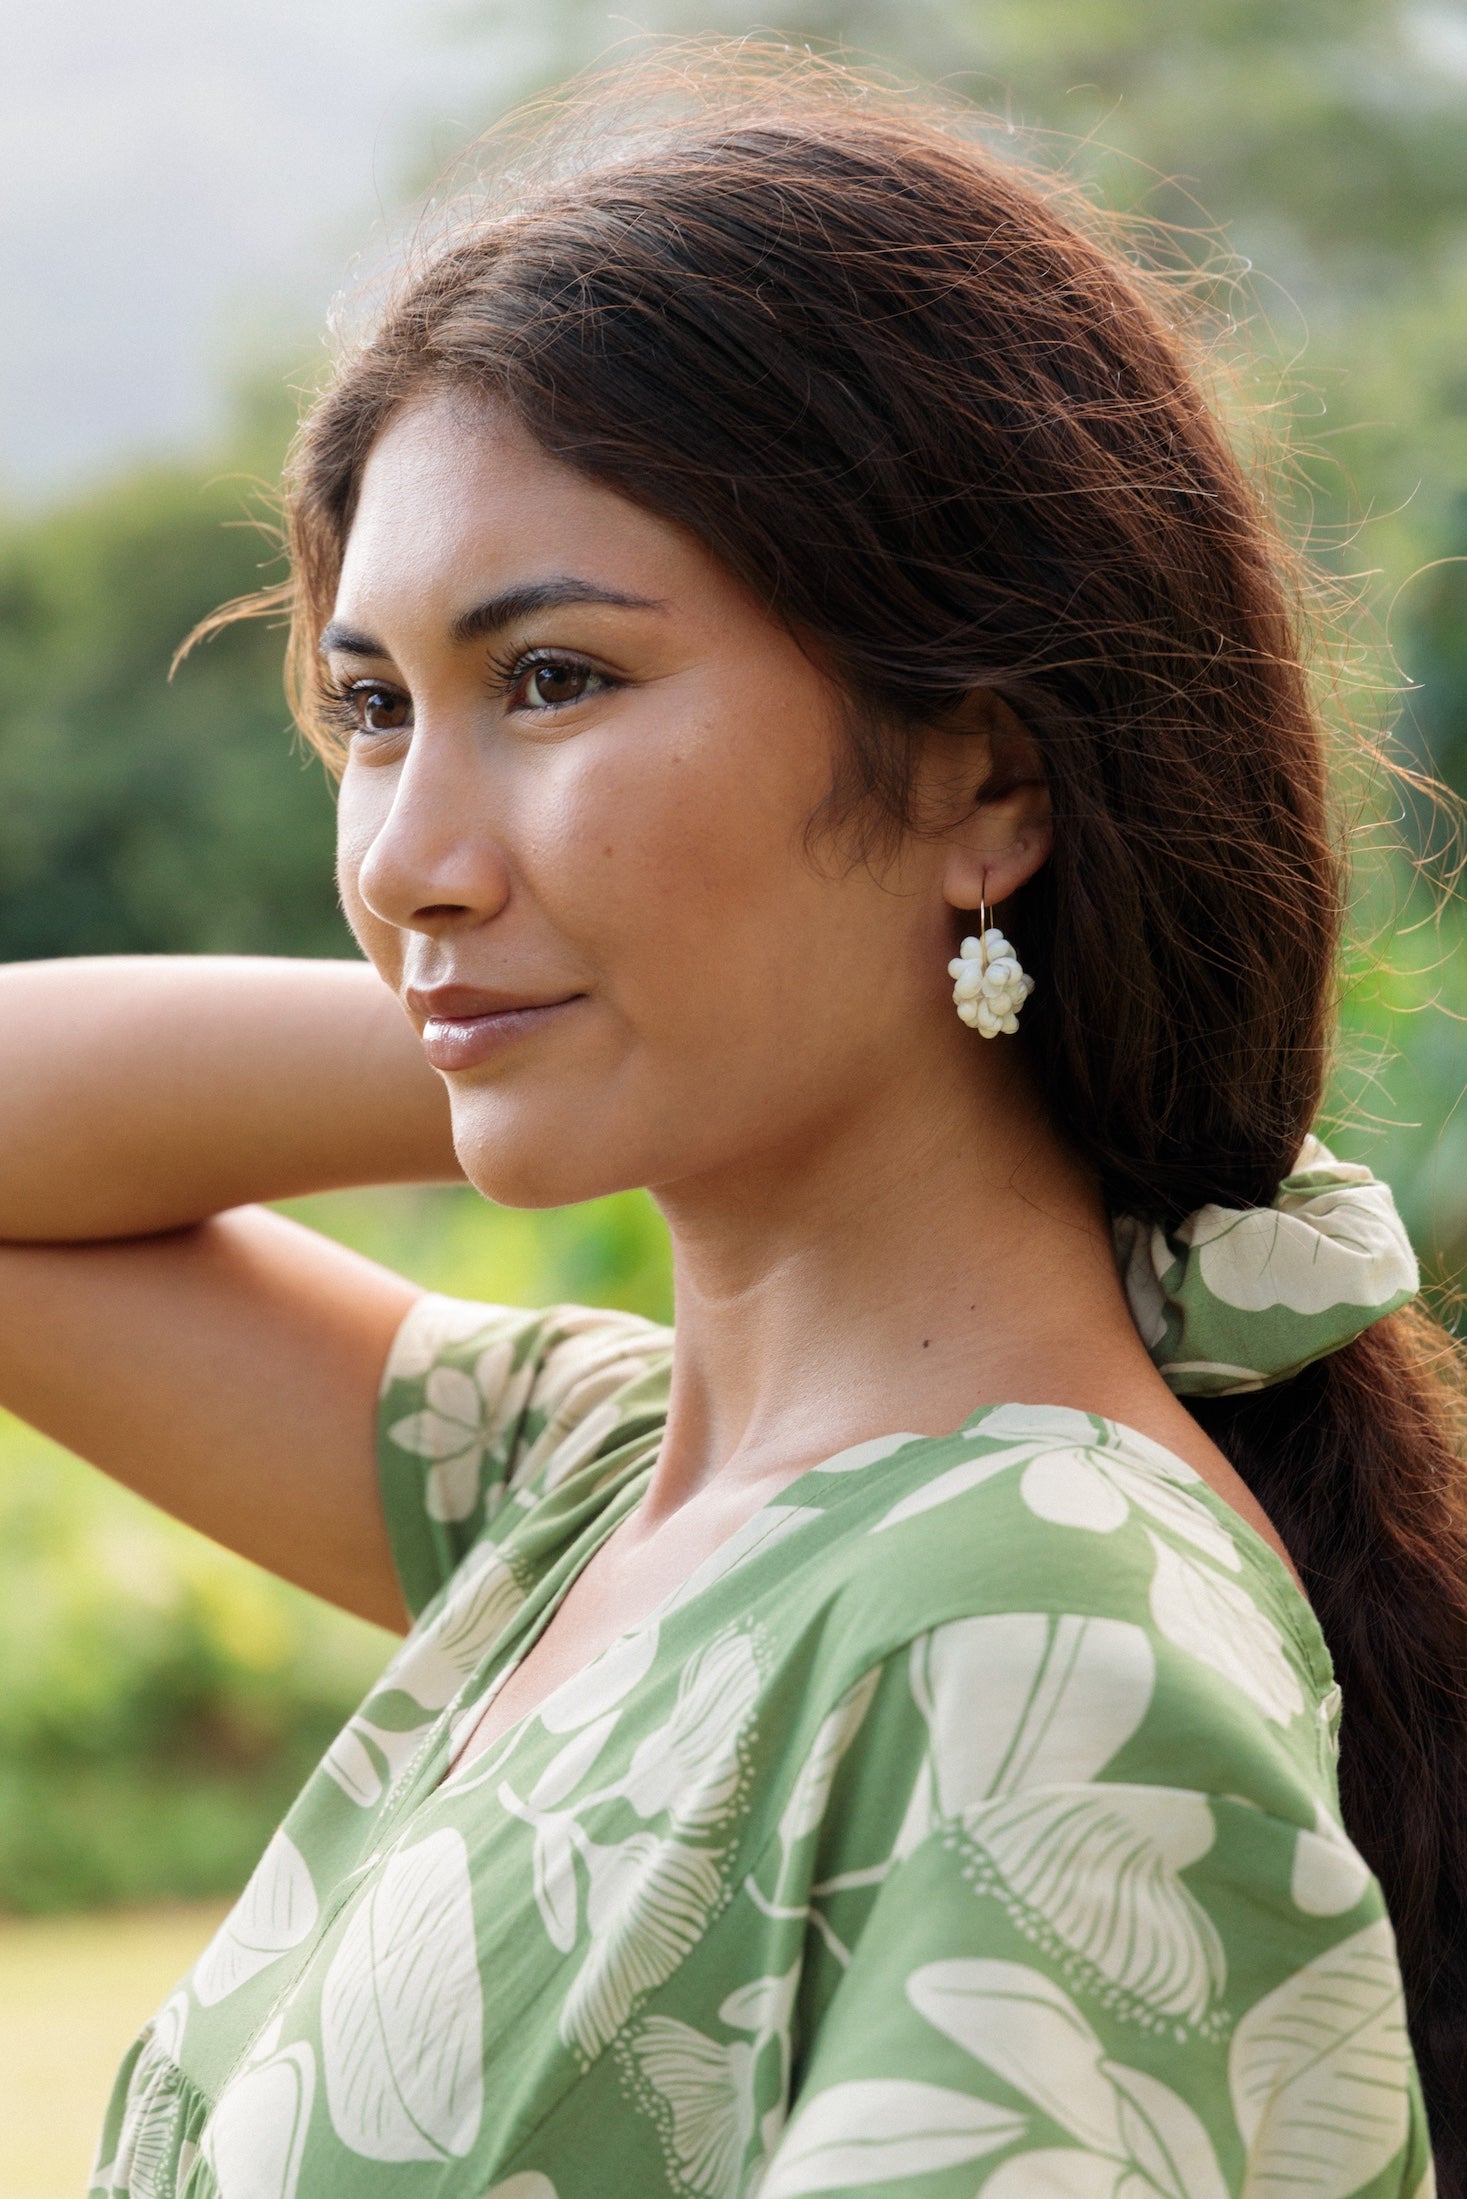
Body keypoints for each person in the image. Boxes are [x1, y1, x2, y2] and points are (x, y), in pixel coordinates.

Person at [2, 54, 1463, 2199]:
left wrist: (606, 1008)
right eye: (377, 706)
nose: (407, 848)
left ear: (981, 781)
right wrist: (548, 1010)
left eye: (557, 680)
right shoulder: (602, 1481)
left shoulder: (1033, 1638)